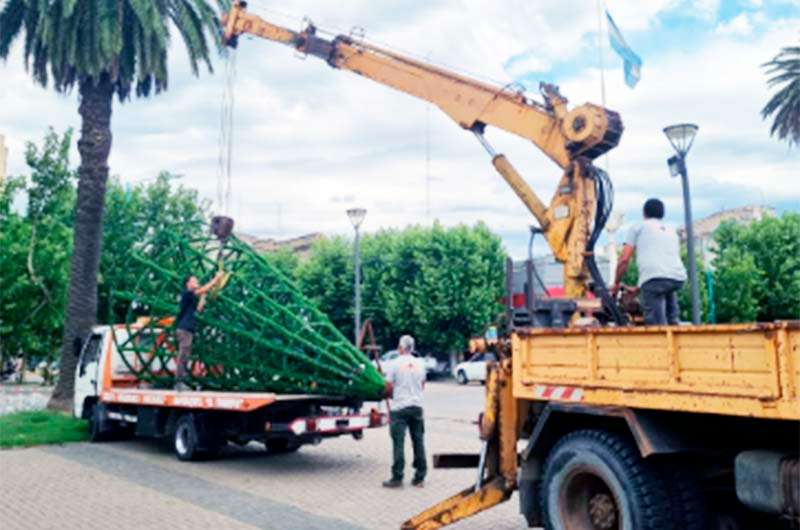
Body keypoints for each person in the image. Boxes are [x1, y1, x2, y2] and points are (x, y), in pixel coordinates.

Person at [613, 198, 687, 325]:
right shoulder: (671, 230)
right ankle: (675, 332)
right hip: (677, 278)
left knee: (656, 323)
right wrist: (639, 287)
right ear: (662, 213)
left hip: (655, 280)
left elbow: (624, 259)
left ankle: (660, 341)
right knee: (671, 319)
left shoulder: (637, 227)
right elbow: (663, 267)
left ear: (644, 213)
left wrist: (616, 284)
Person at [382, 335, 427, 489]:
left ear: (401, 348)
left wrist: (386, 394)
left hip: (399, 408)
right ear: (412, 348)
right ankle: (420, 476)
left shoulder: (394, 364)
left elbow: (388, 386)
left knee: (398, 443)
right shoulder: (420, 364)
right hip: (417, 407)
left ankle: (397, 477)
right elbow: (422, 384)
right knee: (418, 441)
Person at [175, 271, 225, 390]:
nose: (196, 282)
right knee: (183, 355)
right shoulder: (186, 293)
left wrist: (204, 297)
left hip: (188, 329)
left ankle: (182, 381)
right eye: (194, 280)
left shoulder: (192, 296)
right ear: (188, 283)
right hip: (184, 328)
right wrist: (216, 279)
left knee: (186, 355)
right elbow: (200, 290)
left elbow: (198, 309)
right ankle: (178, 382)